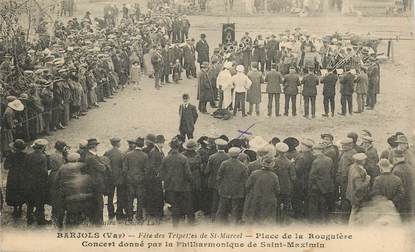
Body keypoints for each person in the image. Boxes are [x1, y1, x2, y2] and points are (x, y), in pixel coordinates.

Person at [55, 152, 94, 228]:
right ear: (77, 159)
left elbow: (57, 180)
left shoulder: (62, 167)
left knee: (62, 206)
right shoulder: (82, 166)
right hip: (80, 195)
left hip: (66, 194)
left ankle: (60, 223)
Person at [160, 138, 193, 226]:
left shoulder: (166, 159)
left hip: (170, 187)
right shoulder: (184, 158)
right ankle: (190, 222)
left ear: (171, 147)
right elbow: (188, 174)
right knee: (187, 204)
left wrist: (167, 180)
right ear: (179, 147)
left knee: (174, 205)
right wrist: (190, 181)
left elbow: (161, 174)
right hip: (183, 186)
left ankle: (175, 224)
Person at [243, 155, 280, 224]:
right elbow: (277, 190)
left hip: (256, 198)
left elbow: (247, 186)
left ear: (262, 164)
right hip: (268, 200)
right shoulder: (274, 176)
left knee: (255, 218)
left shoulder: (254, 173)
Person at [216, 147, 248, 224]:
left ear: (229, 154)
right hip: (237, 190)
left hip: (225, 189)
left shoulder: (224, 163)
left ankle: (220, 222)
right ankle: (234, 223)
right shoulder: (243, 166)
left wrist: (220, 185)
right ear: (238, 155)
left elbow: (219, 176)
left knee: (222, 207)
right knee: (235, 207)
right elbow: (245, 180)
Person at [308, 143, 335, 223]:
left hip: (317, 186)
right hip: (327, 186)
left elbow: (312, 176)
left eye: (316, 150)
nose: (314, 152)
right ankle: (324, 220)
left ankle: (314, 221)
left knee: (314, 204)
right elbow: (332, 173)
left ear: (321, 151)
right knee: (324, 204)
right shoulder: (329, 159)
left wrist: (309, 186)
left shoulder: (316, 161)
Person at [82, 138, 107, 225]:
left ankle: (96, 220)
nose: (97, 147)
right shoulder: (91, 158)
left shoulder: (90, 155)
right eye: (96, 145)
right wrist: (104, 165)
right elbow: (102, 168)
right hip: (96, 183)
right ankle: (98, 221)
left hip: (93, 182)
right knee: (98, 202)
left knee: (96, 202)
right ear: (93, 147)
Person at [25, 139, 49, 225]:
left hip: (30, 181)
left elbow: (26, 167)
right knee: (40, 201)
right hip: (39, 182)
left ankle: (29, 218)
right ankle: (40, 220)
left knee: (30, 201)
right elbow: (44, 171)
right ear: (42, 148)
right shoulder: (43, 157)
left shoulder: (29, 155)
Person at [204, 138, 230, 221]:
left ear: (217, 146)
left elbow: (207, 170)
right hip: (224, 181)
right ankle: (223, 216)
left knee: (214, 199)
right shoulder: (228, 157)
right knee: (223, 199)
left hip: (214, 181)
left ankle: (213, 216)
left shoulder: (212, 157)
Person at [123, 137, 147, 223]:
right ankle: (139, 216)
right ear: (142, 145)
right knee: (140, 199)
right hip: (140, 181)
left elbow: (125, 169)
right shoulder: (145, 156)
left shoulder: (128, 155)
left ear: (135, 144)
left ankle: (129, 216)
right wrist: (142, 177)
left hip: (130, 180)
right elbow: (146, 170)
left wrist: (129, 177)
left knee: (130, 199)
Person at [103, 137, 126, 221]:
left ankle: (111, 213)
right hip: (119, 178)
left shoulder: (107, 153)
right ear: (117, 143)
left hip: (110, 178)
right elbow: (124, 167)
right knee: (120, 196)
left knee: (110, 196)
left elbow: (105, 164)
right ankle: (119, 213)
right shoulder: (121, 153)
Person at [4, 139, 27, 219]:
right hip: (22, 175)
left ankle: (15, 209)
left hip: (13, 175)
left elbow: (6, 166)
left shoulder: (11, 155)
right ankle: (20, 207)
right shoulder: (25, 155)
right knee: (21, 189)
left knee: (13, 190)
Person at [274, 142, 296, 223]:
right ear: (285, 152)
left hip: (277, 187)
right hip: (287, 187)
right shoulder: (289, 163)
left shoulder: (274, 161)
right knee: (287, 204)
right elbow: (293, 177)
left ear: (277, 151)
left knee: (277, 204)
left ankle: (278, 220)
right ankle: (286, 220)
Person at [293, 138, 315, 219]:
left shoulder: (302, 157)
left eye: (302, 145)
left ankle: (298, 214)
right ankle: (306, 213)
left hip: (300, 180)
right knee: (306, 197)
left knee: (297, 197)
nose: (301, 147)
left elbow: (297, 170)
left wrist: (293, 164)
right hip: (308, 179)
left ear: (307, 147)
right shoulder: (312, 156)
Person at [336, 138, 357, 221]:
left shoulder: (346, 155)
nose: (343, 146)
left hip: (345, 180)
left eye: (345, 145)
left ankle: (344, 218)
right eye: (343, 145)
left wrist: (341, 180)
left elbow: (344, 170)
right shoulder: (353, 152)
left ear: (350, 145)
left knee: (345, 197)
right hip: (350, 178)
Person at [182, 140, 203, 220]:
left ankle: (185, 213)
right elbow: (199, 164)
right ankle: (192, 215)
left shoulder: (183, 155)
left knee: (186, 197)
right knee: (194, 197)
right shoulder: (197, 156)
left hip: (185, 179)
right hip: (195, 179)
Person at [346, 153, 371, 218]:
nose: (365, 161)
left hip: (352, 194)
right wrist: (367, 180)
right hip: (357, 196)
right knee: (355, 212)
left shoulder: (352, 166)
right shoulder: (357, 173)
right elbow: (359, 187)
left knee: (354, 211)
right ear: (362, 161)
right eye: (364, 160)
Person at [391, 149, 414, 219]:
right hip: (411, 198)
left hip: (402, 201)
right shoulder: (409, 167)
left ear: (395, 158)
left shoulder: (396, 170)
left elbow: (396, 189)